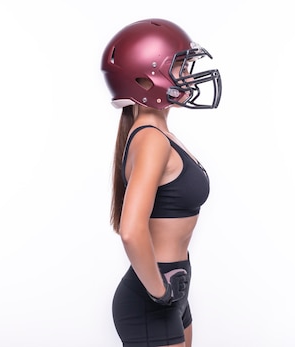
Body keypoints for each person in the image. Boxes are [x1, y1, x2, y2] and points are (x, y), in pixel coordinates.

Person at [100, 18, 222, 347]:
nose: (188, 75)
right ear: (146, 76)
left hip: (173, 291)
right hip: (154, 298)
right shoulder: (151, 140)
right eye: (180, 66)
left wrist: (171, 295)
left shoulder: (160, 134)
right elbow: (131, 229)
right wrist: (159, 292)